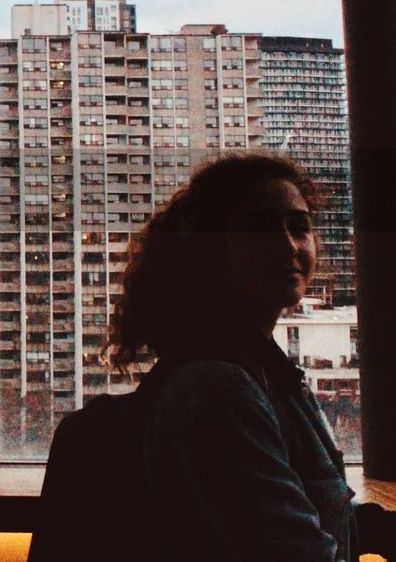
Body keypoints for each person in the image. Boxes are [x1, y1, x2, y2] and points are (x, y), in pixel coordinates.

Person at [104, 153, 359, 561]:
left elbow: (311, 508)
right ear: (208, 249)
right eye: (258, 228)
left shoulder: (262, 373)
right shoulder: (219, 390)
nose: (287, 244)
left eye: (298, 226)